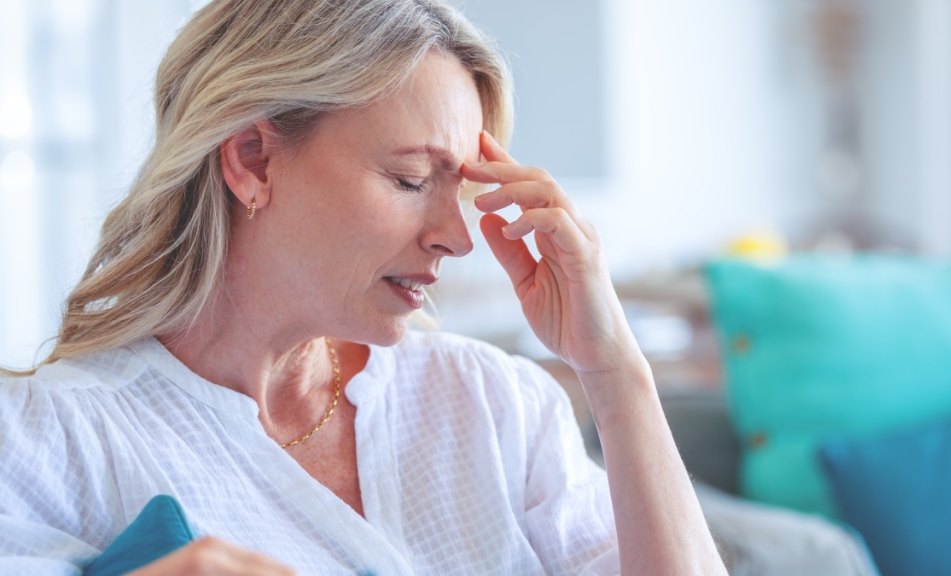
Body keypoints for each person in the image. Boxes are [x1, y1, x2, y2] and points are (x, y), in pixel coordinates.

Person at [0, 1, 727, 574]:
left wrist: (615, 372)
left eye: (460, 190)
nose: (458, 236)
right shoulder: (46, 441)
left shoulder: (496, 405)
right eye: (411, 180)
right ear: (252, 160)